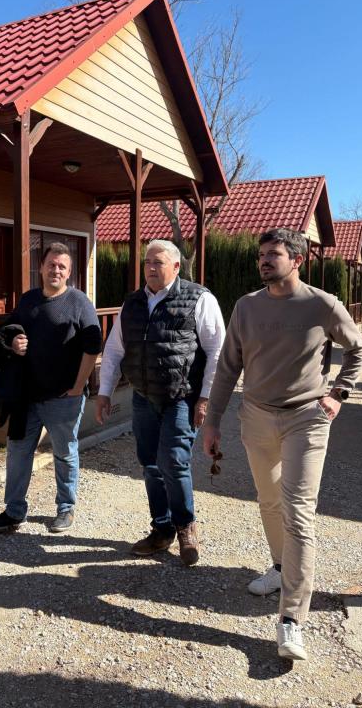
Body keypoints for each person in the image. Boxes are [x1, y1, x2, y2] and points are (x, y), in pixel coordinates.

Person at [201, 228, 362, 661]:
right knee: (269, 499)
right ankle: (280, 566)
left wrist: (339, 394)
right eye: (261, 254)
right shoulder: (246, 306)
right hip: (256, 416)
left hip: (306, 419)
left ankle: (291, 619)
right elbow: (228, 367)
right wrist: (212, 421)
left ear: (297, 259)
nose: (264, 260)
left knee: (298, 511)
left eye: (273, 254)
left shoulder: (322, 304)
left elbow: (358, 349)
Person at [95, 239, 226, 566]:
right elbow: (114, 350)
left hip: (182, 397)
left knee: (173, 460)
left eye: (158, 262)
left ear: (176, 267)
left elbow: (217, 352)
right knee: (150, 463)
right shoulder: (132, 304)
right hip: (143, 397)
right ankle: (162, 529)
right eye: (147, 262)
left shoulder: (199, 299)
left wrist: (206, 397)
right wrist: (104, 392)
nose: (151, 268)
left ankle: (186, 526)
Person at [0, 242, 102, 534]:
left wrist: (78, 387)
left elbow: (93, 347)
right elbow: (10, 331)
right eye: (51, 265)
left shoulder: (79, 303)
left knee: (64, 453)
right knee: (17, 453)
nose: (56, 270)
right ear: (41, 267)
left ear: (69, 272)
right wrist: (14, 343)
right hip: (26, 396)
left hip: (63, 398)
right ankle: (14, 511)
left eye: (62, 266)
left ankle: (65, 508)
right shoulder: (28, 301)